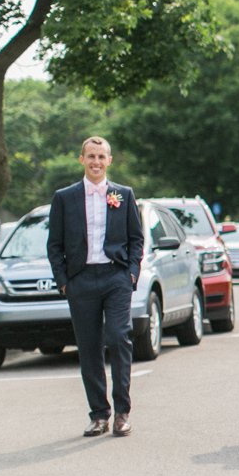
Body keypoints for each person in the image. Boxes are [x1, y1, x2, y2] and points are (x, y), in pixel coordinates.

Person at [46, 137, 144, 438]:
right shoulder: (65, 197)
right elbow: (55, 244)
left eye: (102, 156)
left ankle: (122, 412)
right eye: (91, 156)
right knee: (88, 348)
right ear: (81, 160)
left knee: (118, 337)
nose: (96, 162)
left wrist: (131, 274)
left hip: (116, 278)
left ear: (109, 161)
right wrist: (64, 281)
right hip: (81, 280)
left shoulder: (123, 195)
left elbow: (136, 239)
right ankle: (99, 415)